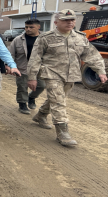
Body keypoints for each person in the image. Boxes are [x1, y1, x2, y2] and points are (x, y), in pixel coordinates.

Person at [27, 9, 107, 146]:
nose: (70, 22)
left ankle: (40, 115)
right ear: (56, 22)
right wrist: (32, 77)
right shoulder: (46, 38)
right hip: (52, 73)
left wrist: (100, 71)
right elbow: (35, 58)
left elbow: (92, 55)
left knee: (58, 98)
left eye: (72, 20)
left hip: (72, 75)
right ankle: (63, 132)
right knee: (58, 102)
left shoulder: (80, 37)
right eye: (65, 20)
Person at [8, 19, 45, 115]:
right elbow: (11, 53)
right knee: (22, 87)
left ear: (38, 27)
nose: (28, 29)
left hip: (39, 69)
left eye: (31, 27)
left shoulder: (44, 39)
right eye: (26, 27)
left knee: (41, 86)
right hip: (22, 68)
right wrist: (10, 66)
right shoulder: (18, 39)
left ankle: (31, 97)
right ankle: (22, 104)